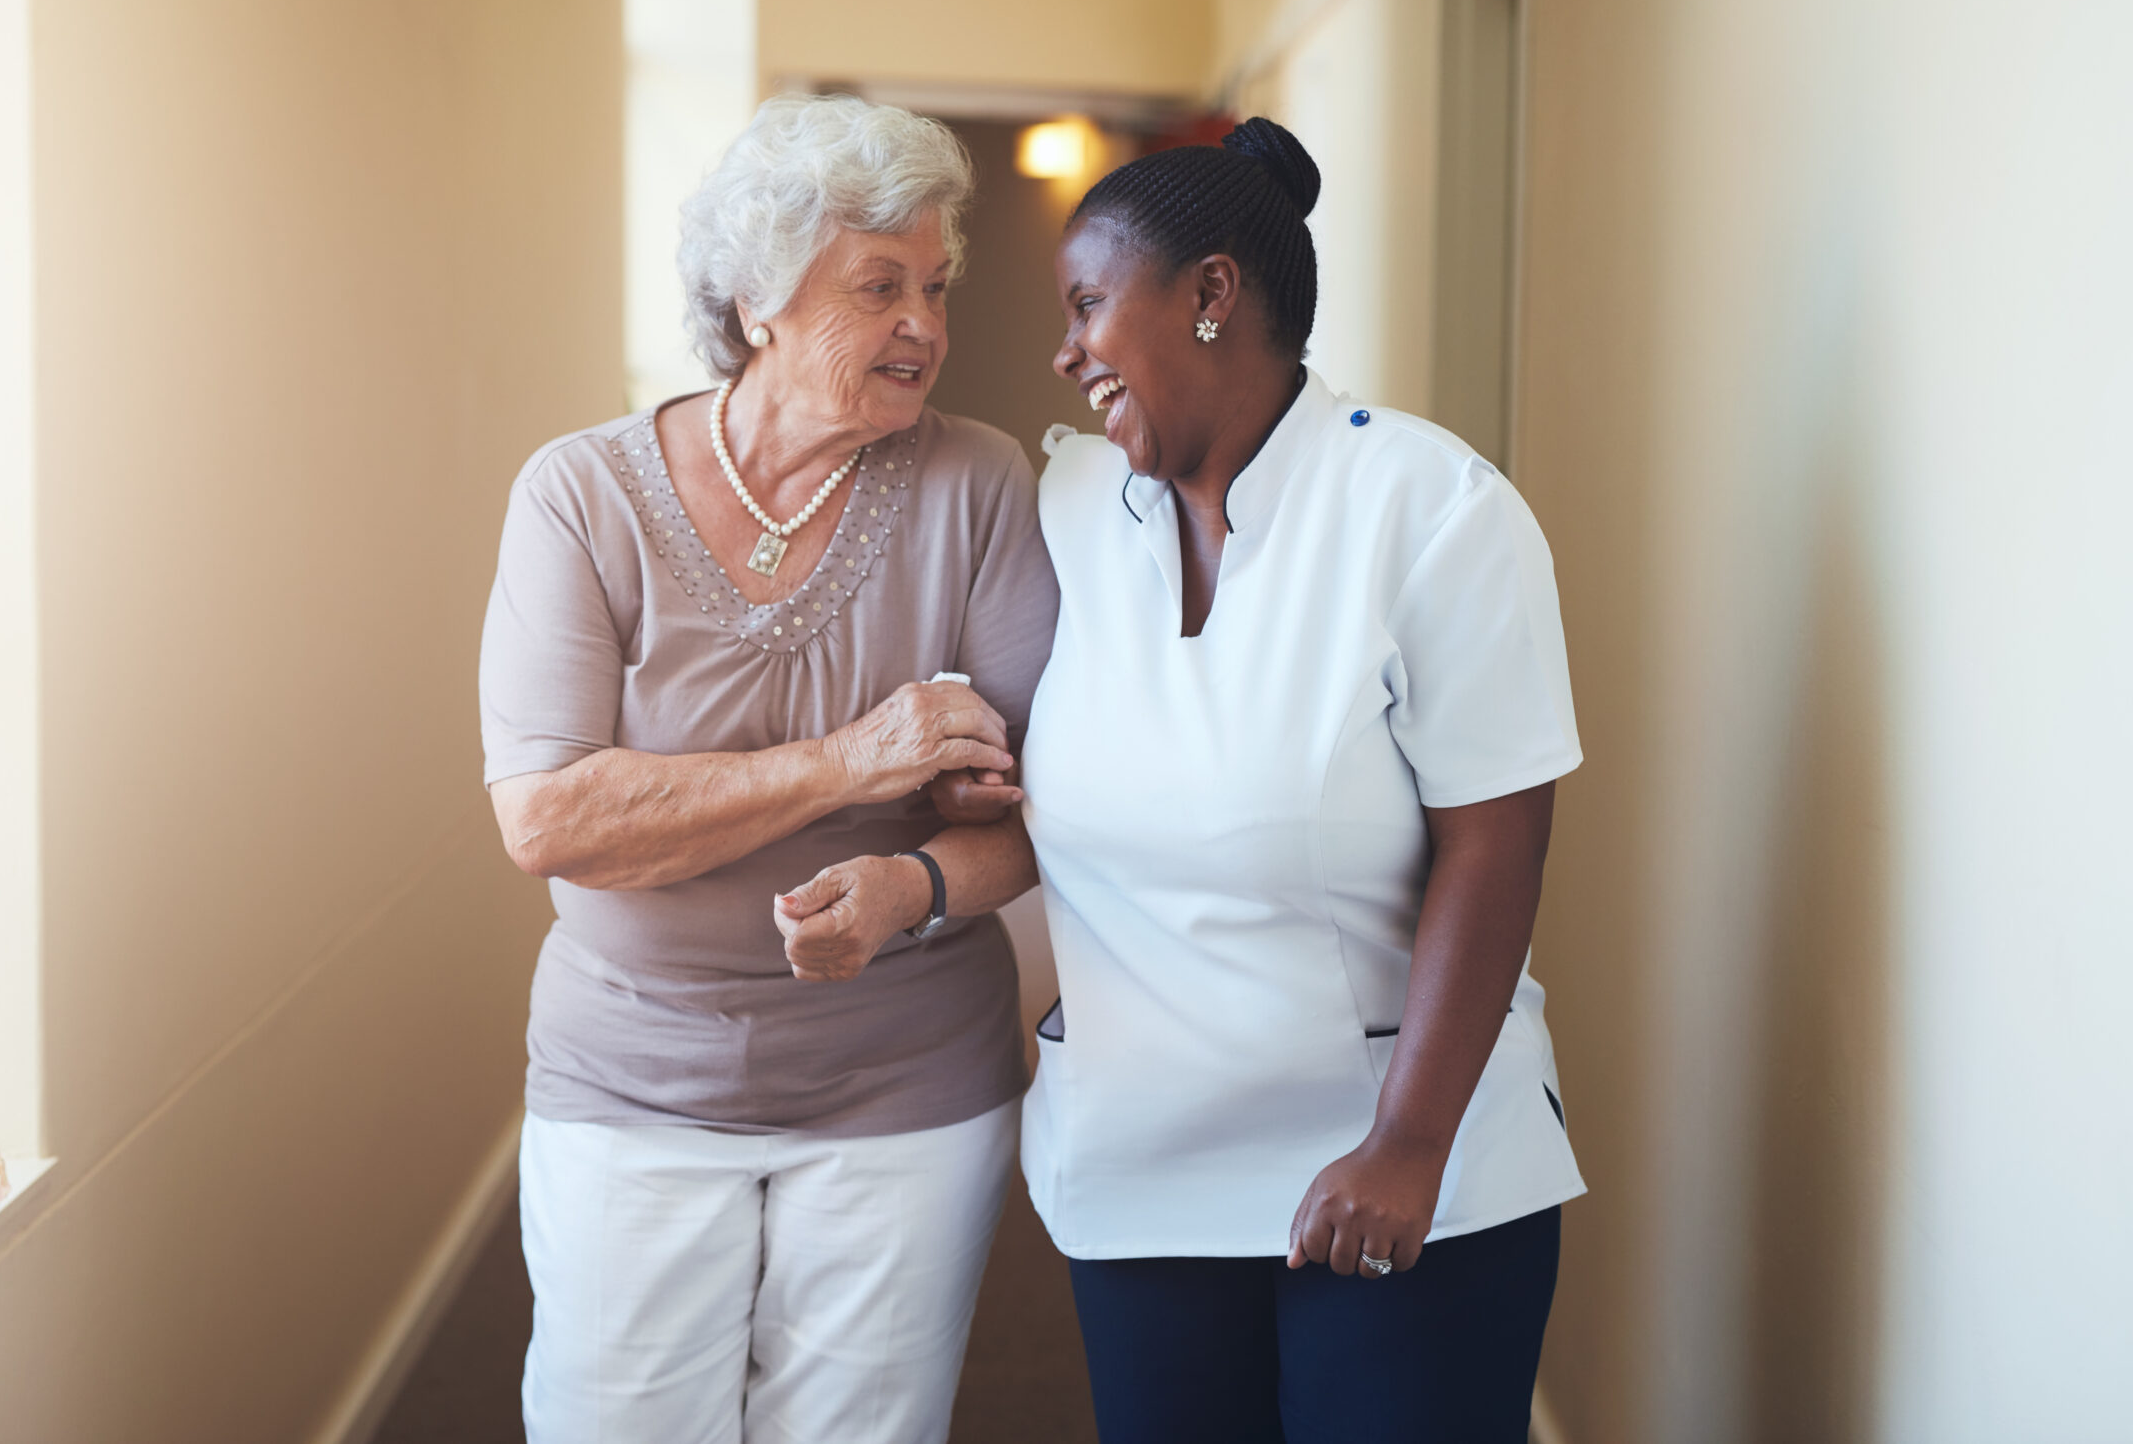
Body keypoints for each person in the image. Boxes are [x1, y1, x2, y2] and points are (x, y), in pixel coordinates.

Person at [479, 93, 1059, 1444]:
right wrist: (860, 760)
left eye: (935, 283)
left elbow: (1045, 815)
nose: (926, 322)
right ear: (757, 304)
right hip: (630, 1079)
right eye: (879, 285)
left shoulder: (977, 486)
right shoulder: (583, 498)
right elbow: (552, 818)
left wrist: (914, 883)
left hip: (907, 1084)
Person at [1019, 117, 1587, 1442]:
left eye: (1088, 304)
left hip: (1395, 1175)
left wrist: (1409, 1143)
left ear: (1213, 294)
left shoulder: (1432, 509)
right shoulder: (1065, 516)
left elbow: (1496, 845)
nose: (1065, 350)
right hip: (1141, 1177)